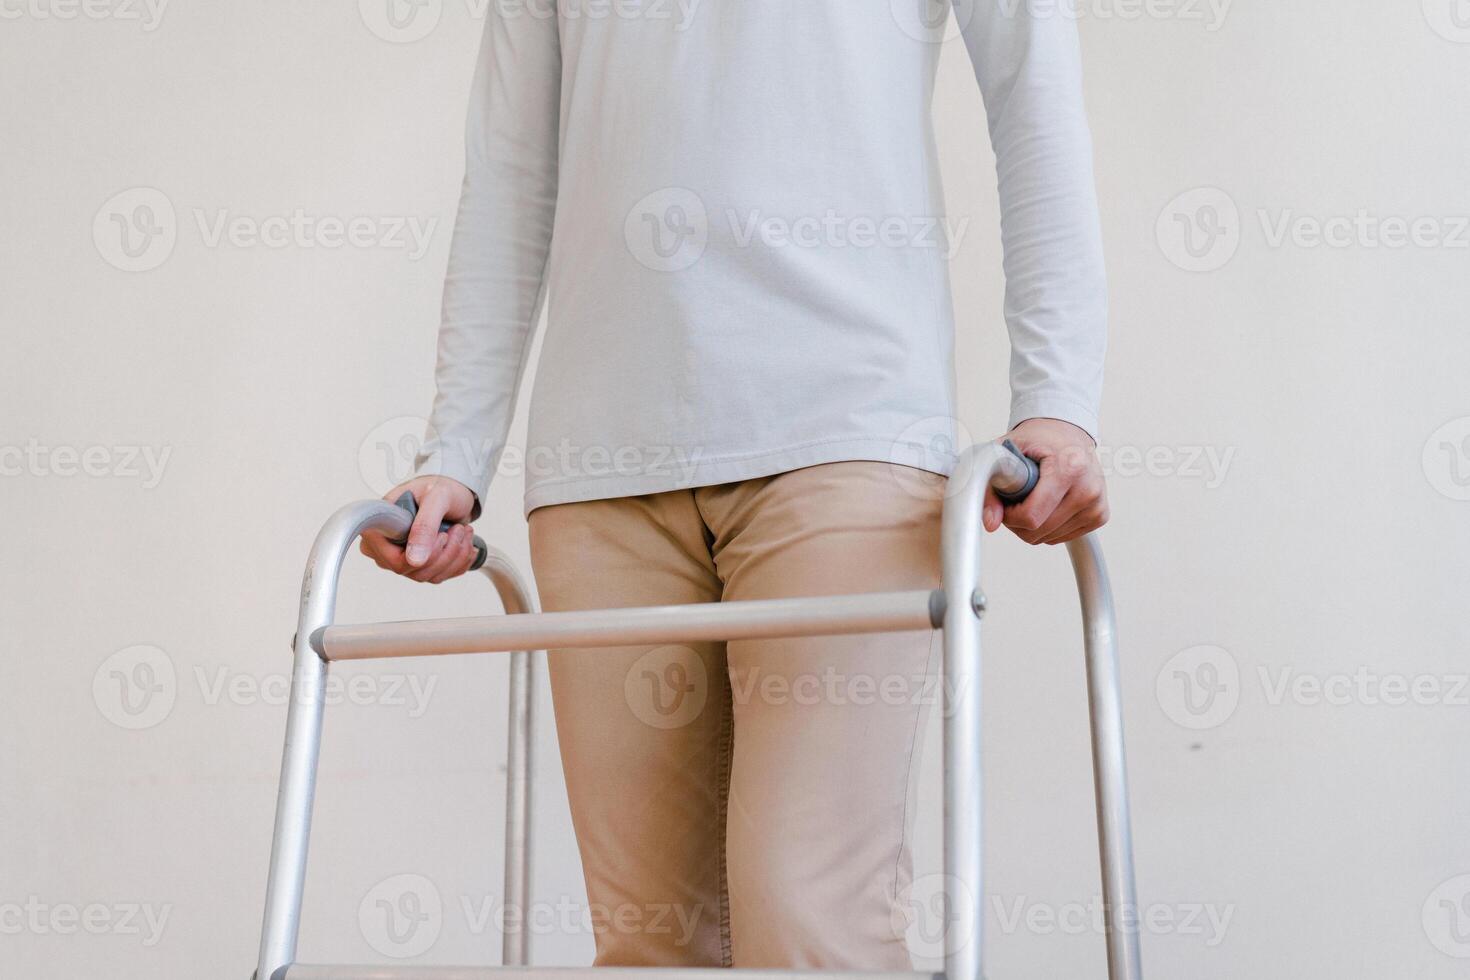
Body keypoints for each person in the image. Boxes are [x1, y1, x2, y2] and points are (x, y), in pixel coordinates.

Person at [361, 0, 1109, 968]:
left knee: (808, 914)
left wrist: (1057, 397)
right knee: (651, 943)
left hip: (845, 433)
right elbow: (510, 166)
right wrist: (456, 452)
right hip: (601, 467)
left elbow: (1033, 87)